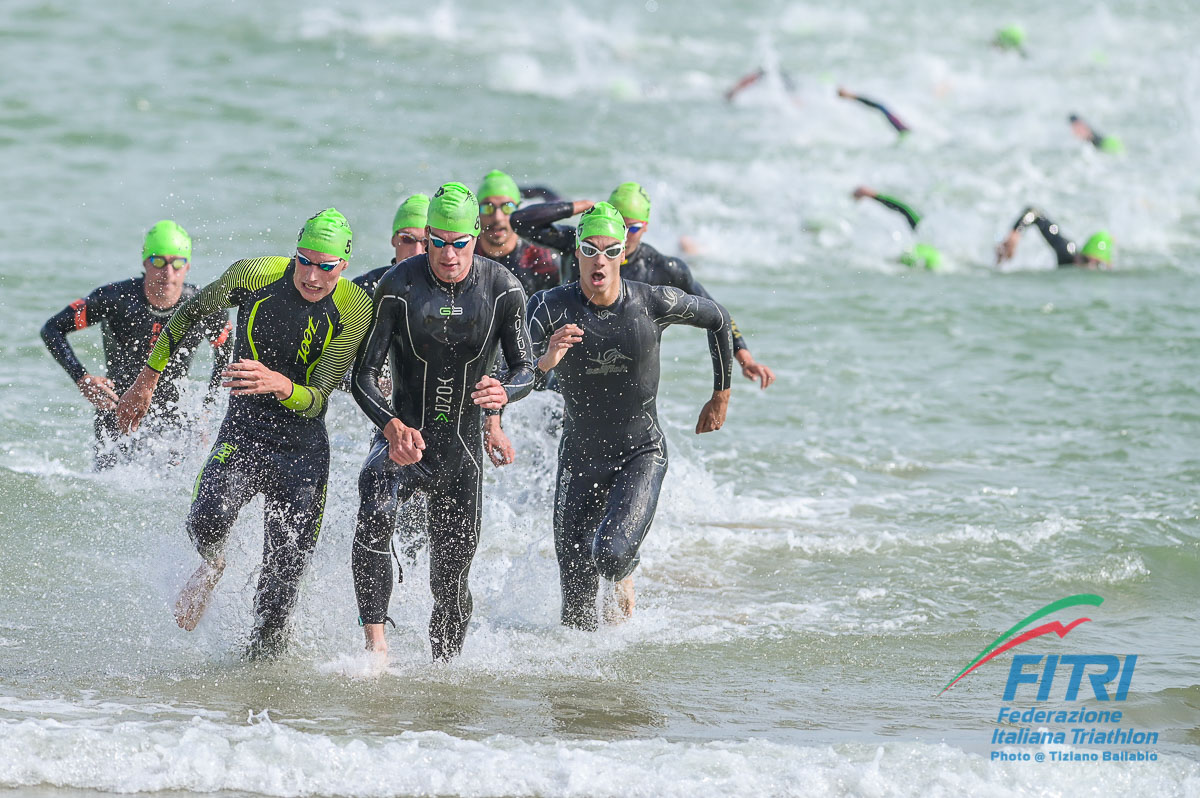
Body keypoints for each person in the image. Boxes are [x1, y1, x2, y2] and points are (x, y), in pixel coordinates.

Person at [114, 209, 374, 658]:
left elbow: (319, 394)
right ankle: (214, 565)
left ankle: (258, 704)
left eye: (325, 267)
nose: (311, 276)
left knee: (278, 599)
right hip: (245, 432)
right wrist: (147, 378)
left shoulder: (355, 307)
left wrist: (279, 383)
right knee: (206, 519)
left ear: (343, 266)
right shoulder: (257, 274)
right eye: (304, 260)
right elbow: (190, 314)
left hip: (303, 451)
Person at [350, 182, 536, 661]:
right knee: (374, 502)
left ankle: (445, 678)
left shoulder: (502, 288)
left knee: (449, 582)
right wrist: (391, 427)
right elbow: (363, 374)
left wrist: (505, 393)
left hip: (462, 453)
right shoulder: (399, 285)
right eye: (437, 241)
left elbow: (525, 368)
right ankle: (376, 648)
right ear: (427, 235)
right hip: (403, 441)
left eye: (459, 242)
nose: (448, 254)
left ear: (476, 235)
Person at [526, 203, 734, 630]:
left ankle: (626, 570)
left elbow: (718, 319)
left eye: (610, 249)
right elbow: (509, 376)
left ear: (623, 254)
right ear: (576, 253)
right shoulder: (547, 308)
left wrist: (721, 396)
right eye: (589, 248)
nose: (599, 259)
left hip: (640, 452)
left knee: (611, 554)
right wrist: (546, 360)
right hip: (579, 457)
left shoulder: (652, 301)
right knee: (576, 618)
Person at [511, 181, 776, 389]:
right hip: (566, 360)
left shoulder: (661, 267)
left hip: (621, 368)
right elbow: (519, 222)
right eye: (619, 227)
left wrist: (745, 358)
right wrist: (580, 206)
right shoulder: (582, 245)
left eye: (632, 229)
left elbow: (715, 312)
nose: (623, 238)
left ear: (646, 227)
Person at [41, 220, 232, 469]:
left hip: (174, 419)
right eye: (158, 261)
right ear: (145, 262)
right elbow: (52, 329)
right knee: (107, 489)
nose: (168, 272)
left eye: (177, 263)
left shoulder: (203, 307)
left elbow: (226, 357)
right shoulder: (115, 299)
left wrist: (206, 413)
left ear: (187, 267)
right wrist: (82, 379)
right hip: (117, 413)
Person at [475, 169, 562, 298]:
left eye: (507, 207)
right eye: (488, 207)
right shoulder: (464, 255)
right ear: (477, 211)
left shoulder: (541, 261)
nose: (497, 217)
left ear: (519, 211)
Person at [353, 193, 430, 297]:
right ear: (393, 239)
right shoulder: (364, 288)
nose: (416, 251)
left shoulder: (451, 290)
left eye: (426, 241)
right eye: (407, 238)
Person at [852, 186, 943, 270]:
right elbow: (905, 210)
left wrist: (875, 196)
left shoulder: (924, 238)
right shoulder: (927, 240)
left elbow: (905, 210)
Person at [995, 207, 1113, 269]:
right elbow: (1036, 213)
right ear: (1078, 256)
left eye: (1098, 265)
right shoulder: (1067, 252)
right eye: (1085, 260)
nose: (1089, 267)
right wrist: (1016, 232)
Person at [836, 87, 910, 136]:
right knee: (884, 110)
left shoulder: (856, 96)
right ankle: (903, 130)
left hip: (882, 109)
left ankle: (903, 130)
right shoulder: (855, 98)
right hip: (881, 108)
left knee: (885, 111)